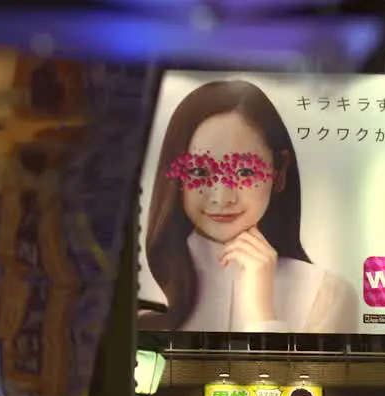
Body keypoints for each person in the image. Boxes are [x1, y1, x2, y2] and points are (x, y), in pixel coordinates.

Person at [141, 79, 355, 333]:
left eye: (243, 170)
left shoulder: (326, 295)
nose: (221, 197)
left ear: (279, 171)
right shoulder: (139, 288)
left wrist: (262, 316)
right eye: (199, 171)